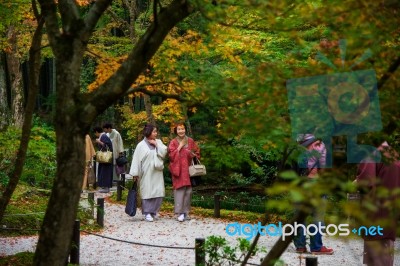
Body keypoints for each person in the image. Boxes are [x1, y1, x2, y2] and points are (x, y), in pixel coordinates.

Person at [354, 139, 400, 266]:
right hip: (390, 210)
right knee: (386, 253)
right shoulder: (393, 153)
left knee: (376, 256)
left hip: (375, 211)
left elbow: (366, 182)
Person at [293, 134, 334, 255]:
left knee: (300, 214)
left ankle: (300, 246)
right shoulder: (319, 144)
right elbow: (323, 167)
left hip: (298, 183)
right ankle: (316, 247)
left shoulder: (296, 144)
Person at [129, 124, 167, 222]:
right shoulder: (141, 145)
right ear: (148, 132)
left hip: (157, 171)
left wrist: (156, 145)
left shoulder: (158, 142)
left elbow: (164, 153)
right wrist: (135, 174)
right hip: (146, 172)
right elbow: (136, 159)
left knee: (158, 191)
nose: (156, 133)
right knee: (147, 191)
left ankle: (154, 211)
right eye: (154, 131)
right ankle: (147, 213)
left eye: (156, 131)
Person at [168, 123, 200, 222]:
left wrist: (194, 155)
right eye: (179, 129)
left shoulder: (190, 141)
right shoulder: (173, 142)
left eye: (183, 129)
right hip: (179, 170)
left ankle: (186, 212)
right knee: (179, 191)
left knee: (188, 192)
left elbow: (197, 152)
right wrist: (180, 147)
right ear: (176, 131)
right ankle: (180, 213)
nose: (181, 131)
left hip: (189, 170)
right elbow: (171, 155)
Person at [94, 126, 114, 193]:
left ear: (97, 132)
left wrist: (99, 142)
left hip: (106, 158)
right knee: (103, 171)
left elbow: (107, 146)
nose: (95, 134)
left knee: (105, 172)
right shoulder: (103, 136)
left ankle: (106, 188)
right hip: (104, 159)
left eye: (95, 133)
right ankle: (104, 187)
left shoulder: (103, 137)